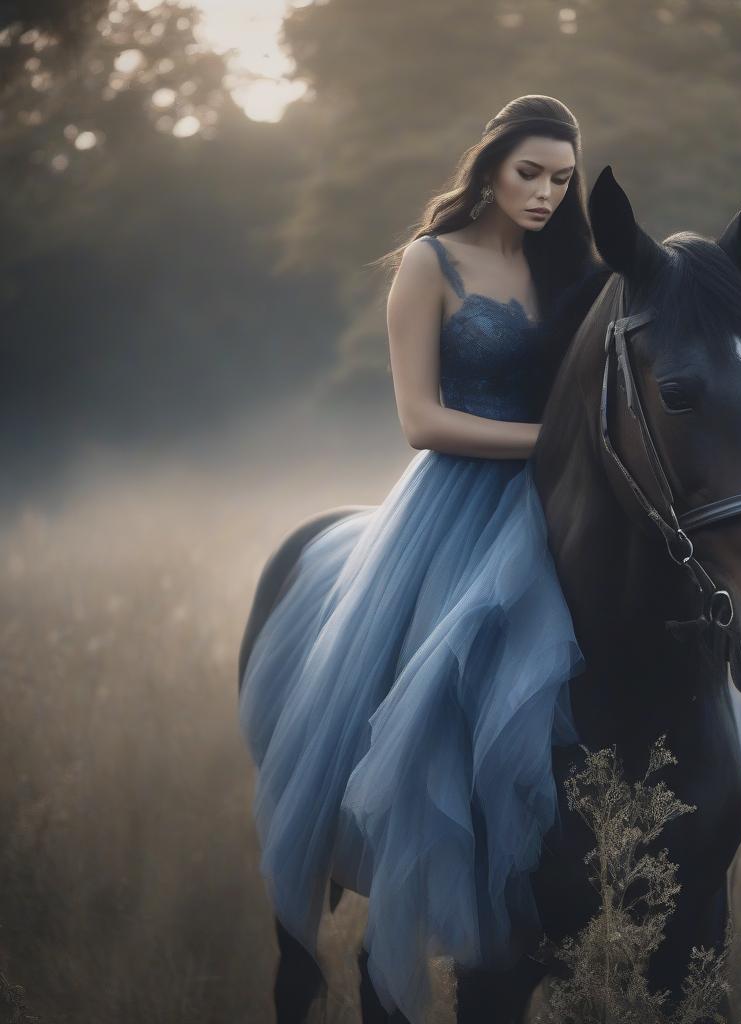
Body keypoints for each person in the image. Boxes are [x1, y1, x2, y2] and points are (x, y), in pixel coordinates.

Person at [237, 95, 605, 1023]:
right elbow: (420, 420)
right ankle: (407, 889)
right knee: (436, 688)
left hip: (557, 504)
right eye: (531, 173)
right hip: (456, 503)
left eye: (563, 179)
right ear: (487, 167)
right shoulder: (429, 264)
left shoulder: (579, 274)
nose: (547, 194)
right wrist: (553, 441)